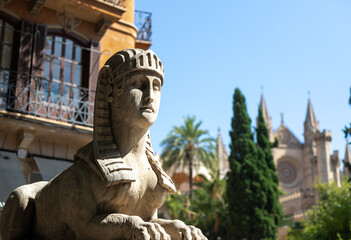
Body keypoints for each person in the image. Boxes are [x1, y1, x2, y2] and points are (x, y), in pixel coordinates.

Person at [1, 49, 207, 240]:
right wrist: (128, 224)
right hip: (41, 219)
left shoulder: (152, 178)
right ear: (109, 90)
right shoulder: (87, 173)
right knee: (20, 198)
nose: (150, 96)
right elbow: (84, 226)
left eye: (156, 86)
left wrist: (177, 227)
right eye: (138, 84)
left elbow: (148, 223)